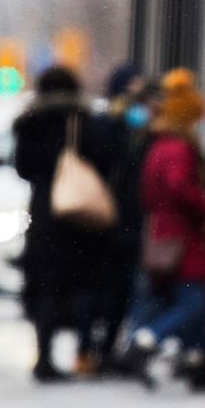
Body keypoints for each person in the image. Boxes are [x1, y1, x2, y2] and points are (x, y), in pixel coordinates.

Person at [12, 66, 117, 383]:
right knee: (83, 285)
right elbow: (104, 157)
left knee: (46, 289)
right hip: (77, 219)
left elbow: (22, 167)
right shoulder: (82, 122)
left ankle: (43, 355)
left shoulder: (29, 124)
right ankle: (86, 351)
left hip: (44, 217)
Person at [127, 69, 205, 392]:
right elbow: (179, 187)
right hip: (183, 237)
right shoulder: (179, 149)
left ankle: (199, 364)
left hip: (165, 232)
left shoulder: (159, 146)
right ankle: (146, 340)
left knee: (193, 307)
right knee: (193, 303)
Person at [81, 64, 161, 376]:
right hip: (104, 221)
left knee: (122, 291)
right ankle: (89, 350)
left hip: (127, 221)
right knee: (103, 291)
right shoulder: (106, 126)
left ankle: (106, 350)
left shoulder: (141, 130)